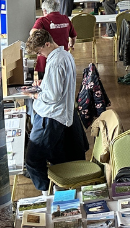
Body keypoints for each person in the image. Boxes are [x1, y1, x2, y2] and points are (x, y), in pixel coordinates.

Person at [23, 28, 85, 191]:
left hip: (50, 117)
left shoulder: (56, 62)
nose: (40, 55)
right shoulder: (65, 55)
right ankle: (57, 190)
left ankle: (45, 191)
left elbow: (54, 96)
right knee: (58, 159)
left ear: (47, 44)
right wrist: (43, 84)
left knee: (33, 160)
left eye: (39, 51)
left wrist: (36, 96)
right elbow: (59, 85)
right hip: (60, 115)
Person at [31, 0, 76, 79]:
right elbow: (73, 36)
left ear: (44, 10)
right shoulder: (65, 18)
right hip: (62, 58)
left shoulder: (42, 20)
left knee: (44, 86)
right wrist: (71, 45)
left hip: (45, 59)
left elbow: (33, 33)